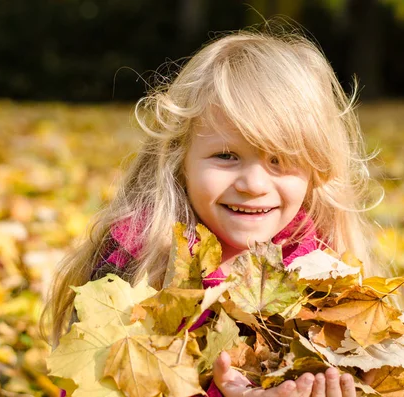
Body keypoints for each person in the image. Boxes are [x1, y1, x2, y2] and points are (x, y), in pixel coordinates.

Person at [42, 23, 386, 397]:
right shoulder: (140, 259)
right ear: (179, 159)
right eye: (226, 156)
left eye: (279, 160)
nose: (253, 184)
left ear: (316, 169)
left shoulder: (323, 274)